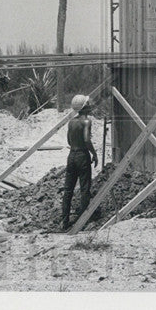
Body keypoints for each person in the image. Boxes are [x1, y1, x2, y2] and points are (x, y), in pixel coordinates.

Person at [60, 93, 99, 231]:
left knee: (68, 190)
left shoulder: (71, 122)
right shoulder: (86, 121)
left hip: (71, 156)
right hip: (82, 155)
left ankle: (64, 221)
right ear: (85, 107)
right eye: (88, 104)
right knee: (84, 188)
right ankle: (83, 221)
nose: (90, 106)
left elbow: (69, 141)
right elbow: (87, 139)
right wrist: (94, 154)